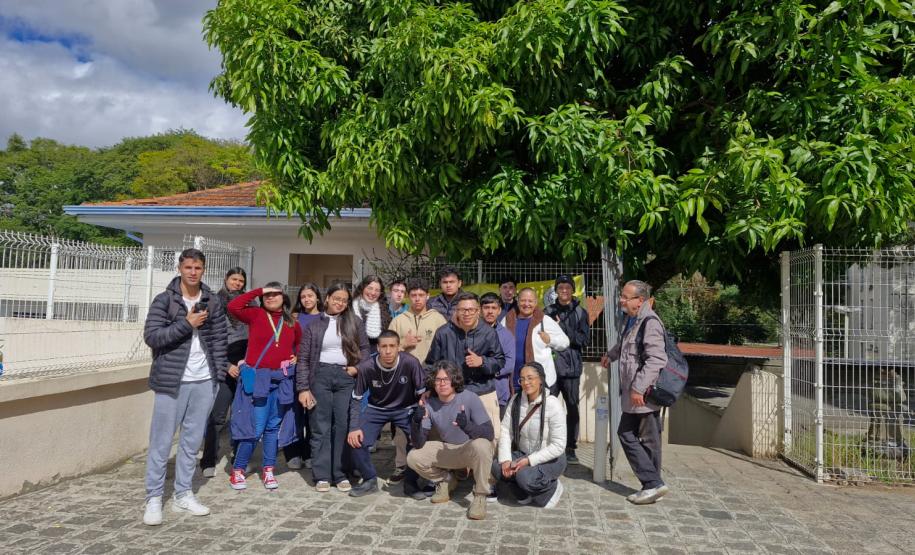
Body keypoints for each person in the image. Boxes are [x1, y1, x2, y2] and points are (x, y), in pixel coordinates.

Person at [142, 248, 228, 526]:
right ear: (180, 268)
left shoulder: (212, 301)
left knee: (191, 444)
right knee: (161, 442)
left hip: (204, 381)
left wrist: (217, 377)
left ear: (204, 270)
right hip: (172, 381)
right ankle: (154, 498)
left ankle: (183, 494)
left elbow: (219, 341)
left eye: (198, 268)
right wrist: (186, 323)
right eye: (189, 267)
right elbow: (153, 337)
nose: (193, 272)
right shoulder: (165, 300)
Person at [296, 282, 370, 493]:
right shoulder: (314, 325)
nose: (340, 303)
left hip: (346, 377)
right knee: (320, 426)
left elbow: (365, 349)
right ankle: (322, 475)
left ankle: (340, 472)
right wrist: (303, 388)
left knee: (343, 426)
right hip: (320, 376)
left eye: (344, 300)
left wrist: (357, 368)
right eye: (336, 298)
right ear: (326, 298)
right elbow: (303, 359)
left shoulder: (354, 322)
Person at [227, 282, 302, 490]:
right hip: (259, 380)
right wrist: (260, 290)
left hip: (281, 381)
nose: (270, 298)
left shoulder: (291, 322)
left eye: (275, 294)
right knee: (255, 428)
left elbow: (299, 345)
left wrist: (295, 356)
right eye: (267, 295)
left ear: (283, 297)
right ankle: (238, 470)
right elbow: (234, 307)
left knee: (272, 428)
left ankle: (268, 469)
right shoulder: (256, 314)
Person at [602, 280, 670, 505]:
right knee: (633, 435)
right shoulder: (633, 320)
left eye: (625, 297)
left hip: (643, 393)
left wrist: (639, 387)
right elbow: (626, 345)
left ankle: (653, 484)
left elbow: (657, 359)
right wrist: (611, 355)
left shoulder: (650, 322)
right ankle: (652, 485)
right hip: (634, 393)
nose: (621, 300)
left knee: (641, 437)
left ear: (639, 300)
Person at [407, 361, 494, 520]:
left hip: (469, 449)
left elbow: (489, 433)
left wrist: (467, 426)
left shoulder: (469, 398)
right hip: (447, 449)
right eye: (438, 379)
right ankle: (446, 480)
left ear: (455, 380)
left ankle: (480, 496)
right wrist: (416, 421)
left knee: (483, 445)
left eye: (446, 379)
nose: (442, 383)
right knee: (413, 456)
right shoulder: (429, 402)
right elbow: (419, 443)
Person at [347, 330, 425, 497]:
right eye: (384, 346)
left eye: (392, 346)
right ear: (378, 348)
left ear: (399, 348)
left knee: (418, 439)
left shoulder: (411, 362)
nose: (388, 351)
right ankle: (369, 480)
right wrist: (354, 427)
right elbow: (356, 398)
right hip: (377, 409)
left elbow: (422, 395)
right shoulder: (367, 366)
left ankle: (411, 483)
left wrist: (420, 419)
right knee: (356, 440)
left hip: (406, 408)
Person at [388, 278, 447, 482]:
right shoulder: (399, 320)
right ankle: (401, 464)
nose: (417, 299)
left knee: (432, 421)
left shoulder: (438, 319)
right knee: (403, 422)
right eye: (413, 295)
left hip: (431, 379)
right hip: (403, 380)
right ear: (408, 297)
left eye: (421, 295)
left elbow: (445, 349)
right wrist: (404, 343)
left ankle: (432, 462)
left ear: (428, 296)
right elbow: (387, 348)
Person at [426, 292, 505, 440]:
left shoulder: (488, 333)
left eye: (471, 310)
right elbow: (431, 364)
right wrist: (429, 388)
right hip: (451, 393)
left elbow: (499, 361)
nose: (467, 314)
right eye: (463, 310)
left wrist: (482, 362)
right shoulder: (444, 332)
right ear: (456, 310)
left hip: (482, 390)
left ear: (478, 311)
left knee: (491, 437)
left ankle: (485, 463)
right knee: (451, 436)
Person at [492, 362, 567, 508]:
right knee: (497, 467)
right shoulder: (516, 400)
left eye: (530, 378)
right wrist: (506, 459)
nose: (526, 383)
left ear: (540, 380)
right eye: (522, 379)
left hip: (552, 459)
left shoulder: (553, 404)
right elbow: (506, 431)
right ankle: (524, 493)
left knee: (524, 477)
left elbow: (558, 445)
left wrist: (529, 460)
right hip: (524, 453)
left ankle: (552, 489)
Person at [200, 267, 247, 478]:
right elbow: (210, 340)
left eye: (241, 281)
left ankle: (240, 457)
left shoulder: (249, 304)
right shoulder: (215, 302)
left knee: (241, 415)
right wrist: (227, 365)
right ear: (226, 279)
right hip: (224, 365)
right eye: (234, 279)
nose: (237, 283)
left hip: (246, 365)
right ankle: (209, 458)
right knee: (218, 416)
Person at [544, 275, 590, 464]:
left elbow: (583, 340)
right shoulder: (547, 311)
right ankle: (548, 445)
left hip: (571, 368)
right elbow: (543, 337)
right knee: (548, 407)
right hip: (551, 367)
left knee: (572, 407)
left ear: (573, 290)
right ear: (556, 290)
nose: (564, 290)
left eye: (567, 287)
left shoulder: (581, 312)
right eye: (560, 287)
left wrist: (562, 328)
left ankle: (570, 448)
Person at [501, 288, 569, 395]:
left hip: (540, 382)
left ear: (536, 303)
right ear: (517, 301)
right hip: (513, 380)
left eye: (530, 301)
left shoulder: (544, 320)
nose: (526, 304)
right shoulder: (507, 320)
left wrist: (550, 340)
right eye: (523, 300)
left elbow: (565, 342)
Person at [286, 283, 324, 470]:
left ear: (317, 297)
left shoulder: (325, 318)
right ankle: (293, 453)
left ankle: (309, 453)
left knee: (312, 415)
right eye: (303, 297)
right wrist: (292, 356)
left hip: (315, 372)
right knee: (294, 414)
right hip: (295, 371)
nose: (307, 299)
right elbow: (287, 342)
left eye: (310, 295)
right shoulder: (294, 318)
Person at [479, 292, 516, 419]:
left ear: (499, 310)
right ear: (480, 310)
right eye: (486, 308)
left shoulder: (506, 335)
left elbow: (509, 365)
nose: (490, 311)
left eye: (494, 308)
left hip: (498, 393)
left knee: (498, 434)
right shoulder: (470, 332)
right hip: (474, 392)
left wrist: (486, 369)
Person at [352, 275, 393, 353]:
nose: (373, 293)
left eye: (377, 290)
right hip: (352, 354)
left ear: (380, 293)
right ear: (362, 288)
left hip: (375, 356)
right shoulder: (350, 308)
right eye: (370, 288)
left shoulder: (385, 311)